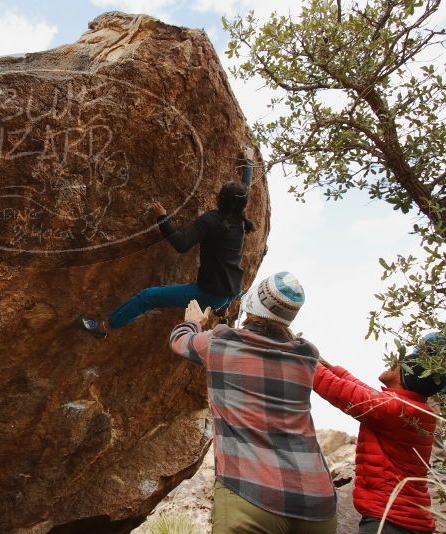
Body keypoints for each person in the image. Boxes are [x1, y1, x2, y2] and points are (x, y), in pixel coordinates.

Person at [170, 272, 337, 534]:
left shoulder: (222, 343)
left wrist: (193, 323)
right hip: (317, 502)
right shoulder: (307, 355)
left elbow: (180, 342)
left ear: (252, 304)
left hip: (252, 494)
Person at [79, 151, 255, 338]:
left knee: (148, 297)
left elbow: (182, 244)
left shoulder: (211, 220)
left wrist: (162, 218)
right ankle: (221, 312)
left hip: (210, 294)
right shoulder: (240, 220)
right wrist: (249, 162)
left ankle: (104, 328)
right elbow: (245, 187)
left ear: (219, 200)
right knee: (222, 300)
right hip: (233, 288)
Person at [313, 332, 445, 534]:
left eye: (399, 361)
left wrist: (299, 356)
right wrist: (323, 363)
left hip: (390, 523)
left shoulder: (395, 410)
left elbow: (337, 390)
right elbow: (358, 389)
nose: (393, 361)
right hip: (406, 521)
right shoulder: (406, 407)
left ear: (407, 376)